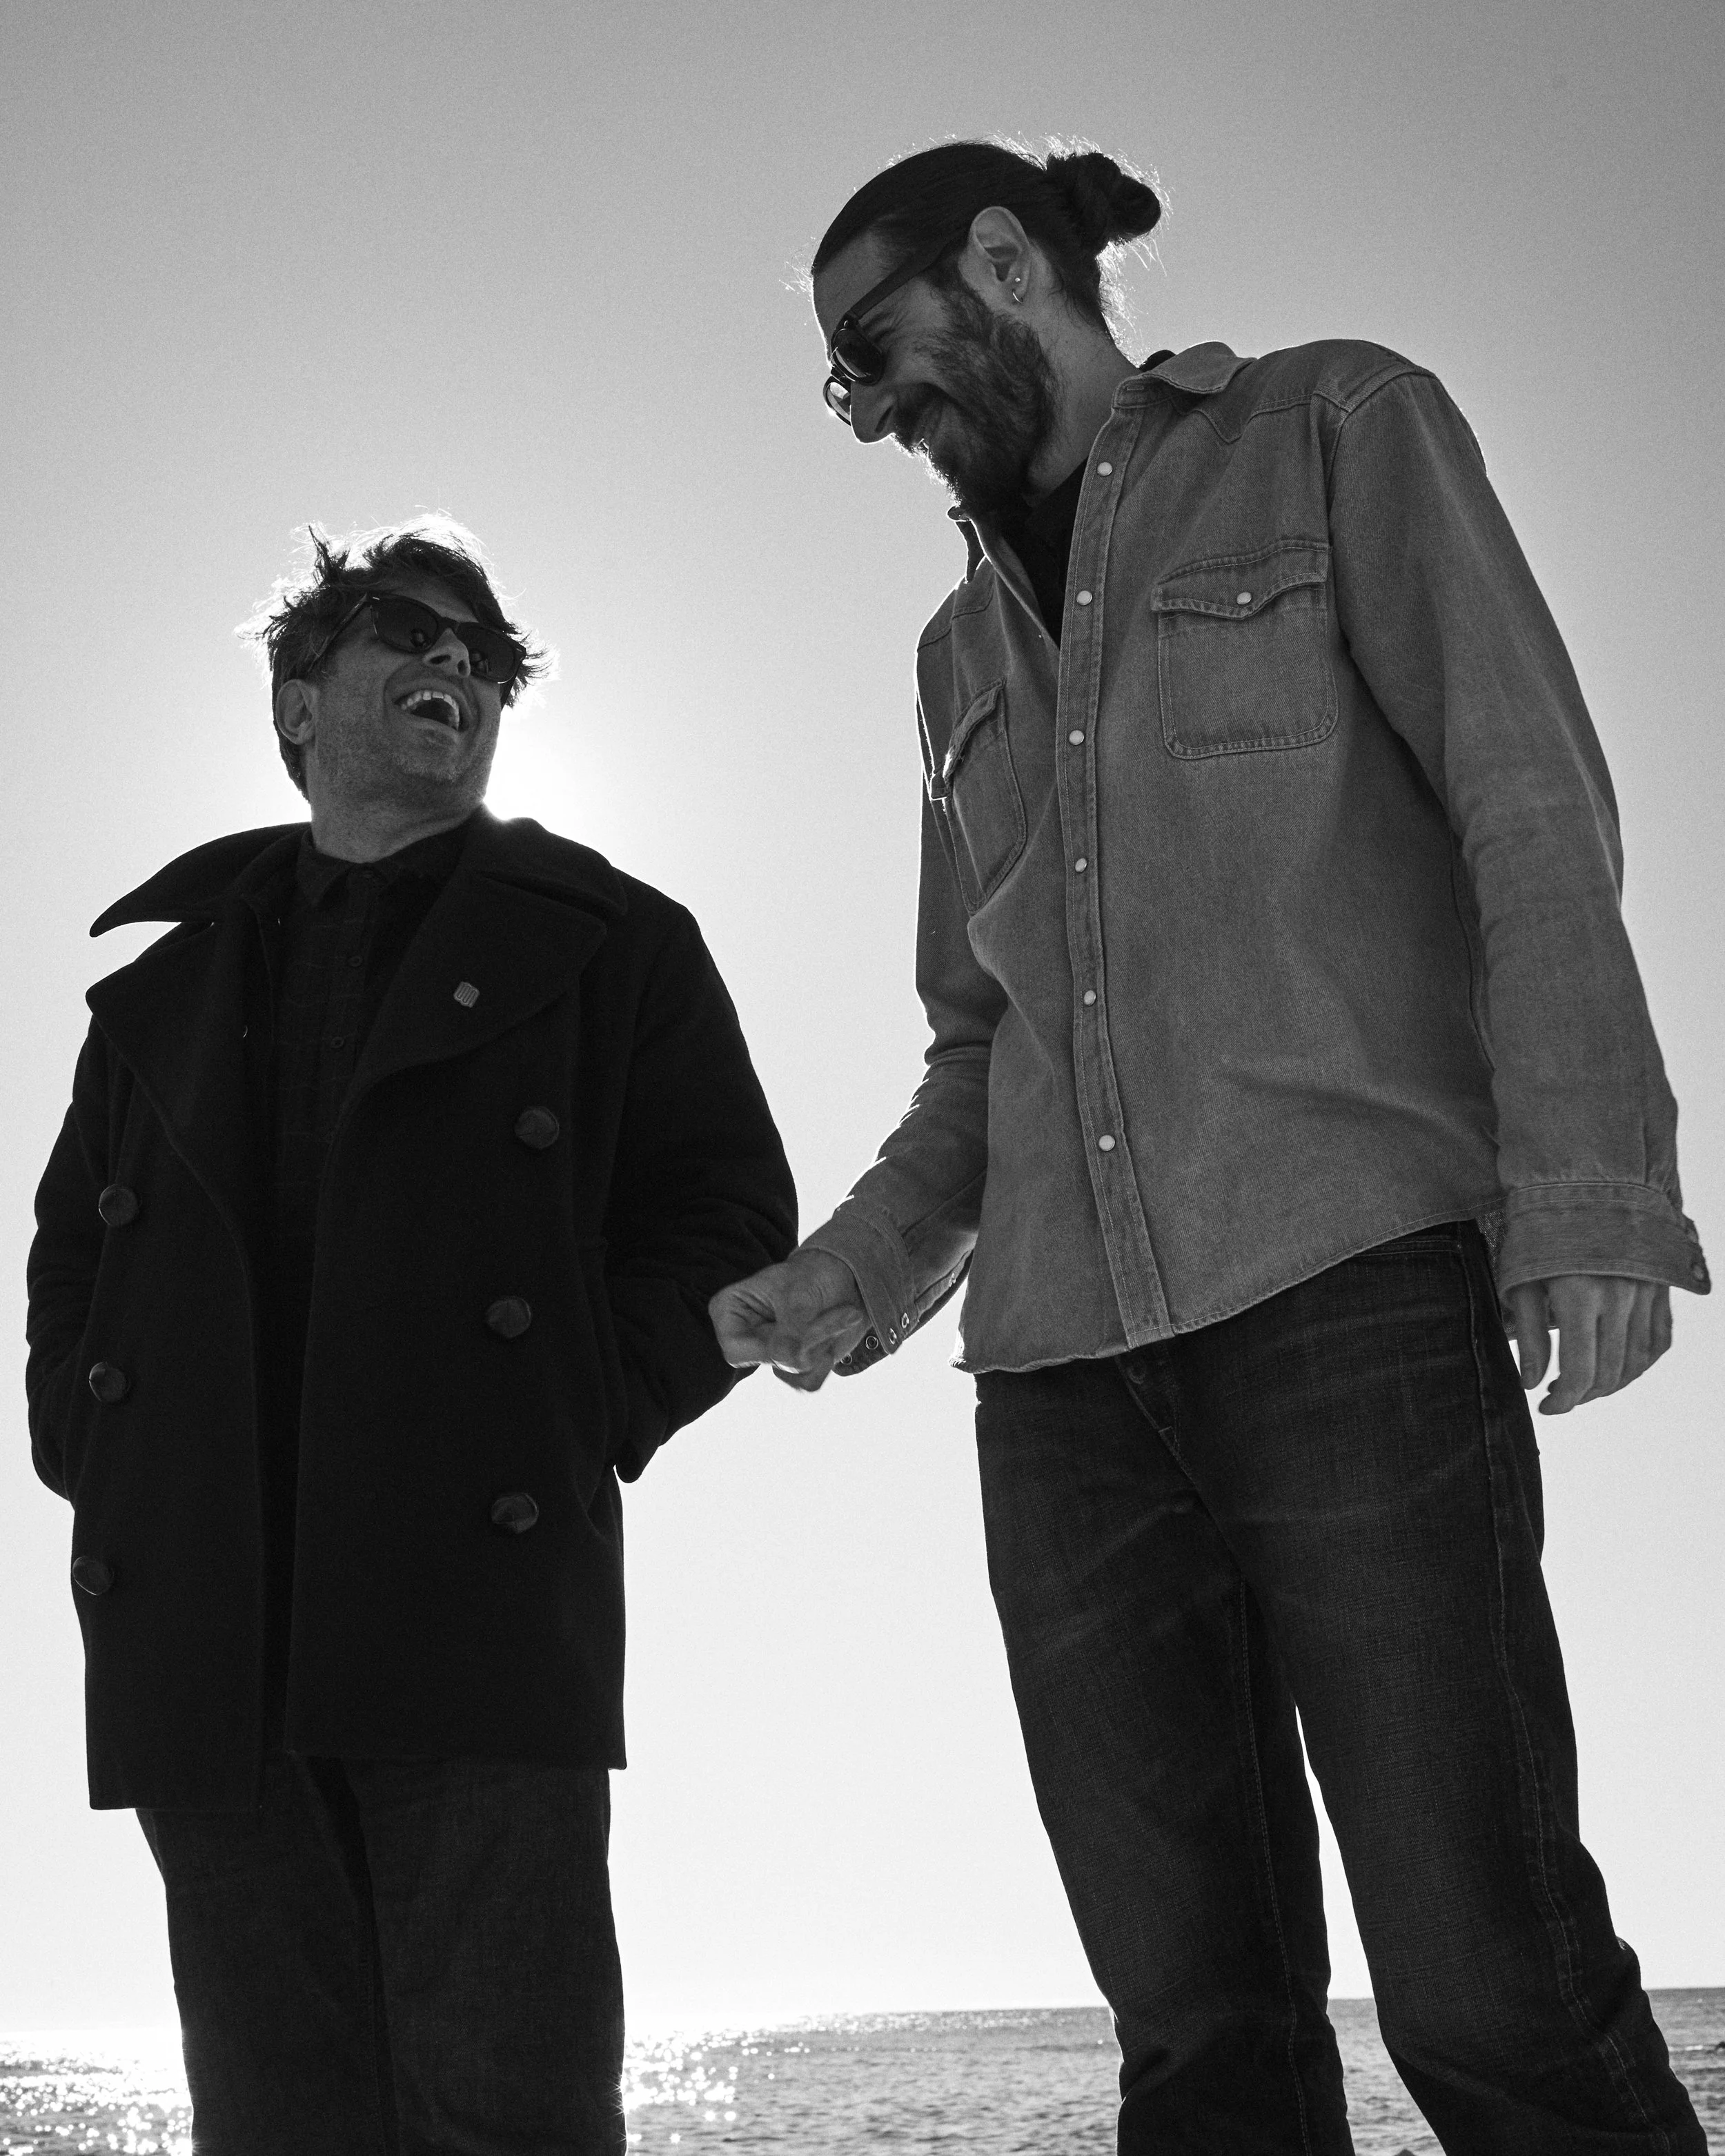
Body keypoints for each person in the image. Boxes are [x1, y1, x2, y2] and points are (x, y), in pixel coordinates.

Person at [709, 140, 1710, 2153]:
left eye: (874, 351)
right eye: (839, 384)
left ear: (1006, 261)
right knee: (1194, 2047)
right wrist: (851, 1274)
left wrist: (1591, 1190)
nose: (870, 411)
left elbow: (1523, 803)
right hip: (1057, 1392)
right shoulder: (948, 663)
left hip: (1349, 1294)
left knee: (1490, 1985)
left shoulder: (1335, 424)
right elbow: (980, 1040)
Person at [26, 521, 796, 2155]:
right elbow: (72, 1260)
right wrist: (98, 1449)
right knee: (274, 2126)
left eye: (488, 653)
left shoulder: (609, 938)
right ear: (297, 703)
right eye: (405, 628)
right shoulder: (158, 995)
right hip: (210, 1626)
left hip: (472, 1605)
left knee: (505, 2116)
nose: (456, 661)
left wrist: (572, 1407)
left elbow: (726, 1215)